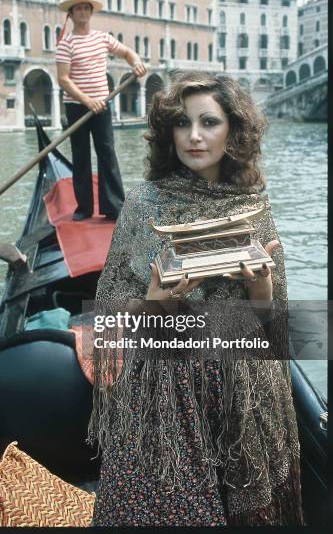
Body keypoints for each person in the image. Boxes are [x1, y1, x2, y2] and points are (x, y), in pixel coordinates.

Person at [87, 72, 303, 526]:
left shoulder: (253, 204)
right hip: (164, 389)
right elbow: (109, 319)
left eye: (209, 122)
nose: (195, 136)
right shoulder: (144, 203)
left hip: (241, 389)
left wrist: (260, 285)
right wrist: (154, 302)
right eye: (183, 125)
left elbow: (271, 327)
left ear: (234, 131)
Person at [56, 0, 146, 221]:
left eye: (86, 8)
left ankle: (114, 207)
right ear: (72, 13)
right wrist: (87, 101)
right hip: (77, 107)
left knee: (107, 153)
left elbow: (127, 52)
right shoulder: (66, 44)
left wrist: (136, 62)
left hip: (102, 105)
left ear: (90, 12)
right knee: (81, 156)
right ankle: (84, 208)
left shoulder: (102, 38)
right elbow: (63, 79)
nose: (83, 12)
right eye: (79, 8)